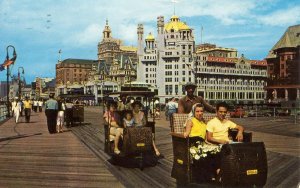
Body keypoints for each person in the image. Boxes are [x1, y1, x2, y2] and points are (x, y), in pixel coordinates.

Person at [206, 101, 244, 181]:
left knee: (243, 150)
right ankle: (220, 174)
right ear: (216, 112)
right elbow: (209, 138)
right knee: (223, 152)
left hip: (228, 144)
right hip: (216, 144)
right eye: (220, 112)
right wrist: (220, 141)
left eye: (224, 112)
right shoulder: (211, 123)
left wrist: (240, 132)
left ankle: (239, 173)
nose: (222, 114)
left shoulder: (228, 122)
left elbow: (240, 127)